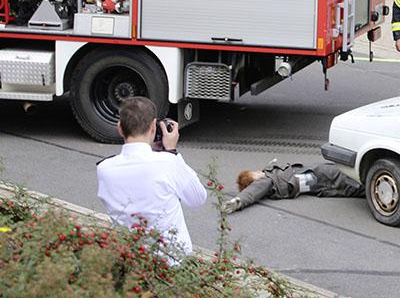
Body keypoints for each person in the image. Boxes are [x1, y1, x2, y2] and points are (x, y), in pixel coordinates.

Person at [96, 97, 207, 256]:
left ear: (120, 128)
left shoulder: (104, 169)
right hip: (172, 262)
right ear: (153, 127)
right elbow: (198, 198)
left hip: (131, 257)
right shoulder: (168, 163)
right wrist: (171, 152)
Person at [223, 161, 364, 213]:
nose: (259, 172)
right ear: (254, 181)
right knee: (348, 178)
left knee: (349, 182)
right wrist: (238, 201)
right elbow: (251, 192)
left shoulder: (268, 174)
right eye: (255, 174)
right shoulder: (265, 181)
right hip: (319, 177)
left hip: (317, 177)